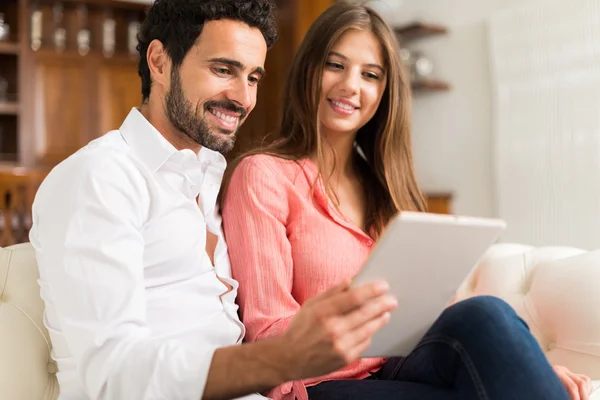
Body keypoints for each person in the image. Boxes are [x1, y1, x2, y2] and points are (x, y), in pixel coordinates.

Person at [220, 3, 593, 400]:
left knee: (485, 312)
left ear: (384, 91)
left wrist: (524, 364)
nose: (350, 86)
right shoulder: (263, 175)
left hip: (402, 363)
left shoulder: (387, 186)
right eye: (335, 65)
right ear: (309, 69)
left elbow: (438, 313)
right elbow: (267, 330)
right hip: (322, 383)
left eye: (370, 75)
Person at [28, 1, 399, 399]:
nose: (243, 98)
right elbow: (114, 376)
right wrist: (285, 356)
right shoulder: (101, 177)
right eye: (223, 70)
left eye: (253, 77)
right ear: (159, 62)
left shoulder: (203, 176)